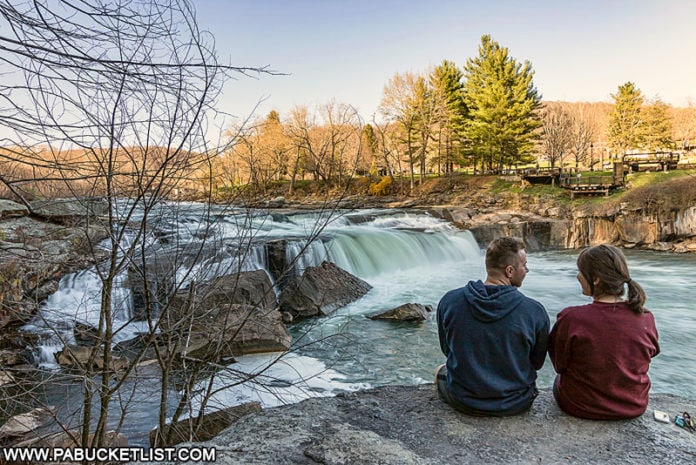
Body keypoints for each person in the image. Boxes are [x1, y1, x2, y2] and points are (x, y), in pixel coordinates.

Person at [435, 237, 550, 416]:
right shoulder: (534, 311)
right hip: (516, 402)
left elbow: (447, 350)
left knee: (441, 370)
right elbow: (536, 363)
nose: (527, 270)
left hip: (463, 400)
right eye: (524, 265)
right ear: (510, 271)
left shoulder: (450, 301)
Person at [548, 244, 660, 420]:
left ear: (596, 279)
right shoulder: (645, 318)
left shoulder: (572, 318)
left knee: (558, 380)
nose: (578, 276)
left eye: (581, 271)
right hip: (633, 406)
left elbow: (560, 365)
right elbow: (649, 355)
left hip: (579, 405)